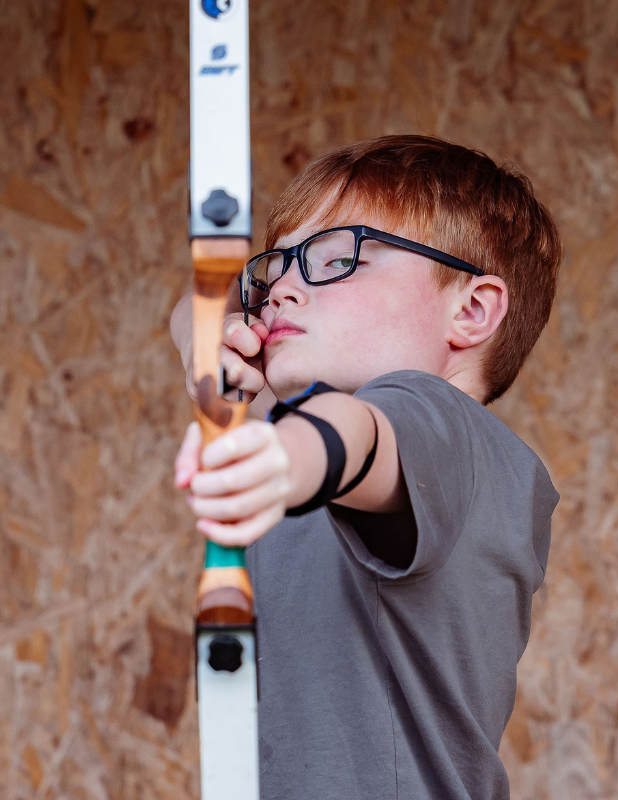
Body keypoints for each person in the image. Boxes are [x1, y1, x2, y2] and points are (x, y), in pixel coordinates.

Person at [171, 135, 561, 800]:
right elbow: (187, 310)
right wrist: (209, 337)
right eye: (279, 266)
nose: (284, 289)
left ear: (471, 310)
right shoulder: (305, 421)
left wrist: (285, 457)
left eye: (335, 258)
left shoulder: (450, 432)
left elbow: (361, 441)